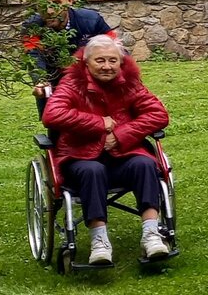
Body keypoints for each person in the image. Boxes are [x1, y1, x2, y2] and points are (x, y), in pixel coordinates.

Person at [41, 35, 171, 266]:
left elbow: (158, 115)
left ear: (121, 62)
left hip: (123, 154)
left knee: (144, 164)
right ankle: (99, 241)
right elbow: (52, 114)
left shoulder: (130, 84)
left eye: (113, 60)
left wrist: (120, 135)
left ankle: (151, 235)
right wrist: (99, 124)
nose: (107, 66)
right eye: (100, 60)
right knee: (93, 171)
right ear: (86, 63)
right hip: (79, 155)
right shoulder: (72, 84)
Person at [23, 0, 117, 115]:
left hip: (93, 83)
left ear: (70, 1)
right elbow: (34, 56)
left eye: (56, 3)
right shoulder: (32, 27)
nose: (49, 11)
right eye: (43, 5)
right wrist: (40, 81)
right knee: (57, 123)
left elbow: (117, 50)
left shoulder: (92, 20)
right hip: (55, 84)